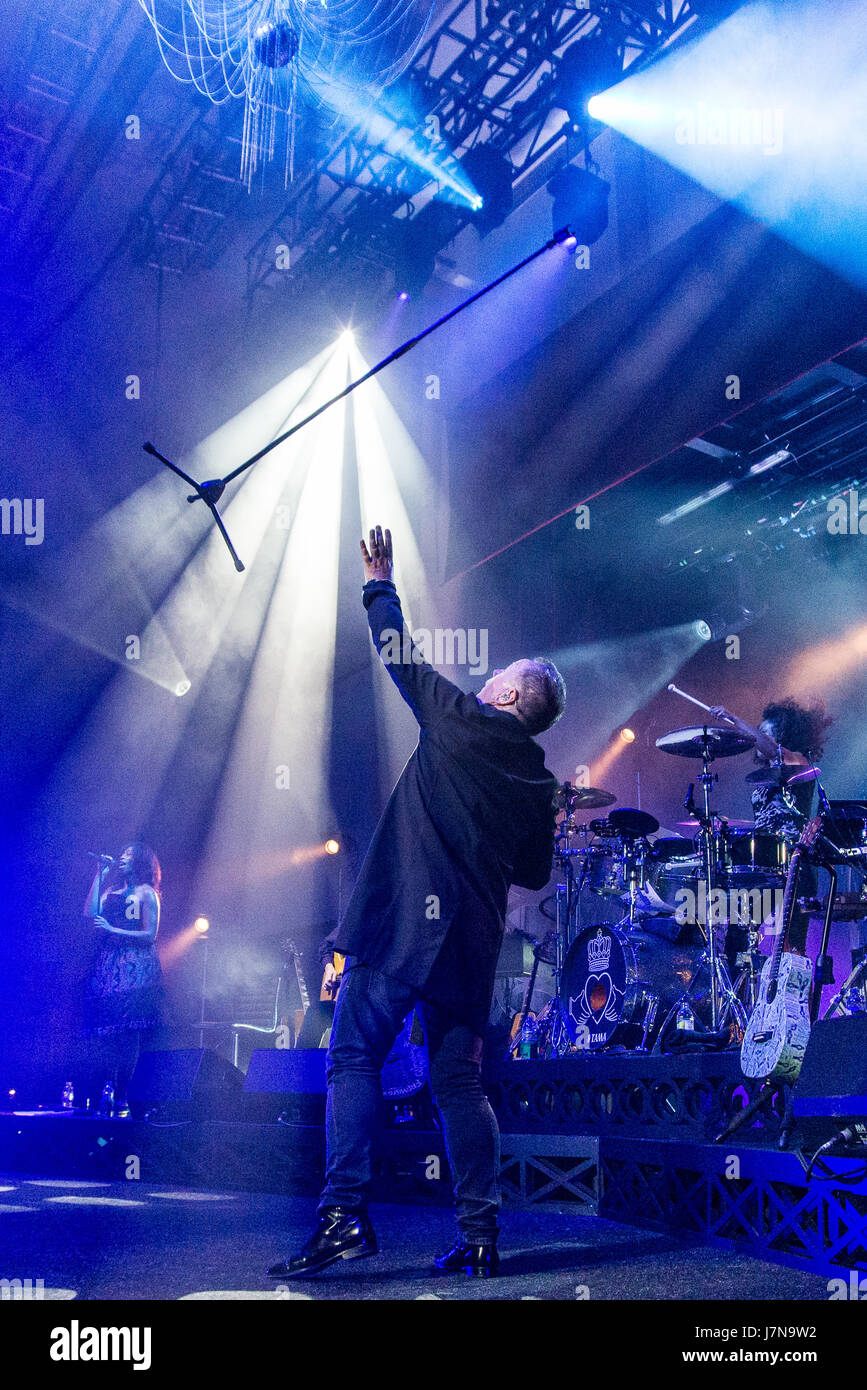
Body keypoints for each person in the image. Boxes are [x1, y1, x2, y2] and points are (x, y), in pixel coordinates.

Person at [269, 525, 564, 1281]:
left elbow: (396, 653)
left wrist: (379, 581)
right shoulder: (538, 782)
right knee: (459, 1083)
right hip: (468, 947)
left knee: (352, 1058)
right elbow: (533, 872)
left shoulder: (460, 718)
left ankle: (341, 1217)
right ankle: (481, 1234)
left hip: (403, 928)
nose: (487, 675)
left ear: (503, 695)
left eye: (498, 672)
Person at [708, 697, 831, 953]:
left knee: (792, 941)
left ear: (781, 737)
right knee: (740, 932)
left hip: (796, 860)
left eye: (764, 732)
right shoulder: (766, 778)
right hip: (766, 860)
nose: (757, 737)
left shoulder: (799, 763)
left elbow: (767, 745)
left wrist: (731, 717)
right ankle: (739, 988)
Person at [83, 843, 163, 1110]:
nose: (122, 857)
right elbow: (89, 914)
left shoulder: (147, 893)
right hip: (110, 966)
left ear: (140, 861)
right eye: (122, 853)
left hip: (135, 967)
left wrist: (113, 930)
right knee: (107, 1033)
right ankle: (105, 1091)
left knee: (129, 1032)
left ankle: (124, 1094)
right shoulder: (111, 891)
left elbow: (150, 935)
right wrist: (99, 874)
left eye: (128, 854)